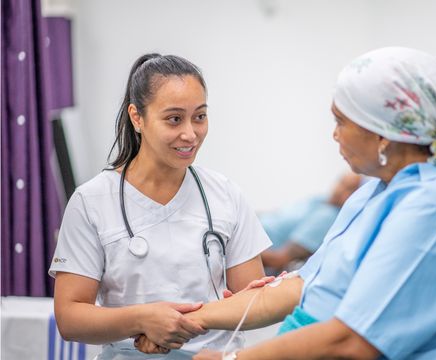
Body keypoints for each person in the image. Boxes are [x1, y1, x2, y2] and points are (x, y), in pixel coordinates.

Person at [137, 47, 436, 359]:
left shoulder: (435, 208)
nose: (334, 134)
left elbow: (351, 343)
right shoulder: (375, 192)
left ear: (383, 133)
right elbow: (301, 289)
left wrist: (233, 358)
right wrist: (189, 319)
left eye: (341, 121)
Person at [48, 54, 273, 359]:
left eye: (200, 116)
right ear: (137, 117)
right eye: (174, 119)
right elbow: (70, 317)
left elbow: (253, 303)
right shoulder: (91, 202)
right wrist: (142, 320)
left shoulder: (225, 195)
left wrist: (180, 323)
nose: (190, 134)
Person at [259, 172, 361, 273]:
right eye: (342, 183)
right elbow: (276, 215)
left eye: (350, 189)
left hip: (255, 252)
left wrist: (248, 246)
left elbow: (278, 260)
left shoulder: (327, 218)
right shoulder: (319, 200)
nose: (340, 190)